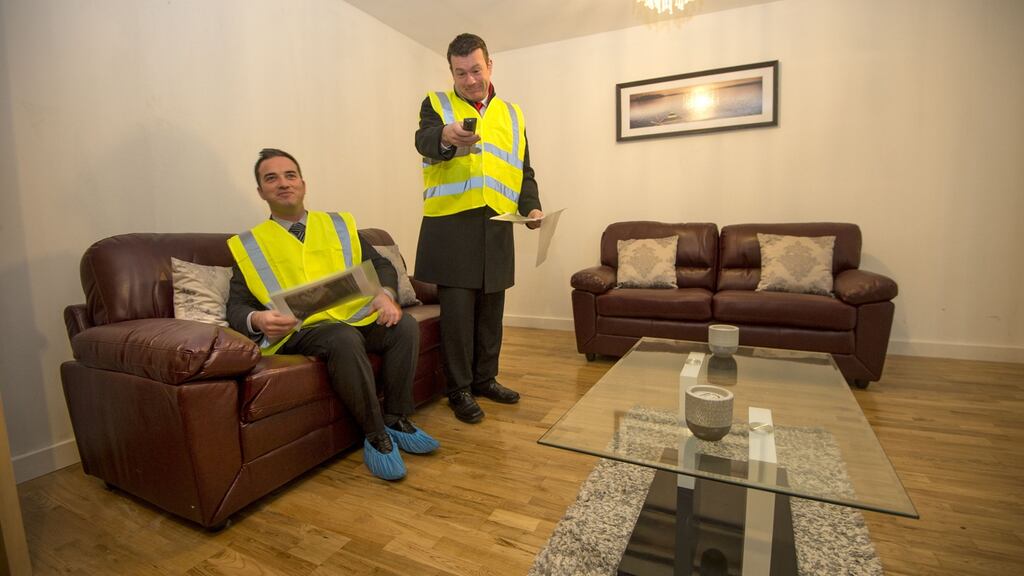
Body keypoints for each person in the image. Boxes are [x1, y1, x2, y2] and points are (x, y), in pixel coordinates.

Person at [226, 148, 438, 481]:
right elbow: (236, 305)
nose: (283, 183)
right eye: (272, 178)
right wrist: (258, 320)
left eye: (290, 175)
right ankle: (375, 434)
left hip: (355, 317)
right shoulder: (249, 245)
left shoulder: (337, 225)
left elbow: (380, 264)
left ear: (303, 184)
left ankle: (396, 418)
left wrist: (385, 296)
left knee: (404, 326)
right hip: (303, 330)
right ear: (261, 192)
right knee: (342, 338)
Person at [414, 33, 544, 423]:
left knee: (492, 310)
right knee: (457, 317)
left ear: (490, 65)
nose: (469, 79)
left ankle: (486, 378)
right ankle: (458, 390)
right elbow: (424, 140)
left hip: (498, 224)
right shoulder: (436, 104)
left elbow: (523, 170)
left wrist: (532, 207)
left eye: (475, 69)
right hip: (452, 224)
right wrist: (445, 137)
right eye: (460, 72)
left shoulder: (513, 113)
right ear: (450, 71)